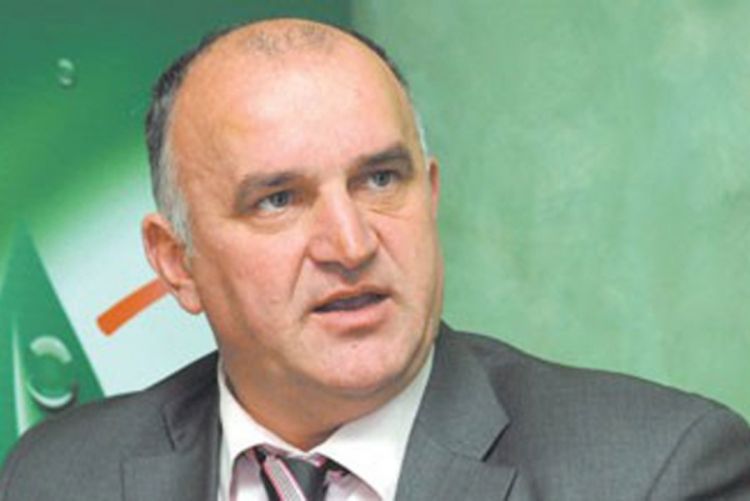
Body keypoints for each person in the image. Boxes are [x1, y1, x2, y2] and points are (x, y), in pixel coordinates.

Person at [2, 17, 749, 501]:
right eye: (278, 199)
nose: (352, 244)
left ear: (430, 193)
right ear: (176, 262)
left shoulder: (657, 470)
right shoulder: (57, 477)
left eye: (381, 180)